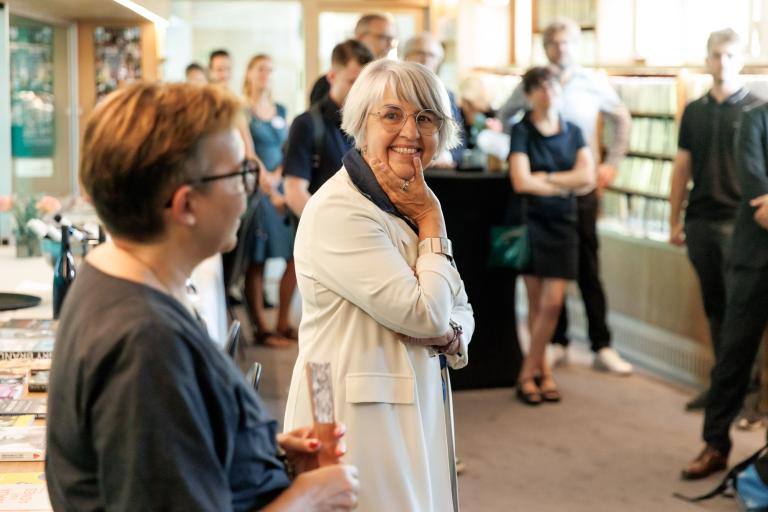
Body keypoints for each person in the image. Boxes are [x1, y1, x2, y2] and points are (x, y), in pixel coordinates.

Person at [45, 82, 359, 511]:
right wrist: (309, 498)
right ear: (186, 205)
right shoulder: (146, 343)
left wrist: (251, 448)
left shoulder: (116, 277)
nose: (249, 190)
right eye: (240, 175)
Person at [283, 60, 474, 511]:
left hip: (405, 399)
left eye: (425, 118)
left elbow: (459, 304)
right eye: (392, 115)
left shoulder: (409, 199)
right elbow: (425, 313)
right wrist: (433, 222)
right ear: (360, 124)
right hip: (352, 414)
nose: (410, 131)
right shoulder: (341, 210)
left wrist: (452, 334)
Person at [499, 17, 633, 375]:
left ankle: (601, 345)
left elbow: (622, 118)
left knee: (587, 267)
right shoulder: (532, 84)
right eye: (554, 43)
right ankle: (554, 345)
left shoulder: (593, 82)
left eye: (567, 42)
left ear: (577, 45)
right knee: (540, 279)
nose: (561, 49)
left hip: (581, 190)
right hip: (539, 199)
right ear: (545, 48)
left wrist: (612, 162)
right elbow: (502, 118)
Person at [669, 29, 763, 411]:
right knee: (715, 307)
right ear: (707, 60)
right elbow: (681, 167)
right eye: (715, 55)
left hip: (741, 226)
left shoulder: (756, 110)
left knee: (742, 312)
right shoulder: (695, 110)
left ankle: (746, 392)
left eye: (728, 55)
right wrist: (674, 219)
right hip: (701, 221)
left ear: (739, 60)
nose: (721, 62)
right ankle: (723, 390)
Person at [680, 100, 768, 480]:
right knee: (733, 353)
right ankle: (715, 443)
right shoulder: (754, 118)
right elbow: (760, 200)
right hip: (754, 259)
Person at [508, 66, 594, 405]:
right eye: (540, 88)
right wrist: (565, 180)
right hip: (530, 220)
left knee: (554, 301)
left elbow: (587, 177)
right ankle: (543, 373)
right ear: (529, 94)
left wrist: (549, 179)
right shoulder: (522, 130)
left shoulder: (574, 131)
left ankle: (527, 373)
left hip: (563, 222)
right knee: (533, 301)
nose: (548, 93)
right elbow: (521, 182)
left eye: (552, 87)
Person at [242, 54, 297, 346]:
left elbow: (288, 149)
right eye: (261, 69)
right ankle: (262, 329)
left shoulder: (281, 109)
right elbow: (250, 154)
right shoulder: (243, 112)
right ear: (249, 73)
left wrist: (280, 179)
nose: (266, 74)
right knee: (258, 259)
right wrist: (269, 188)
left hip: (282, 186)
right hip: (258, 193)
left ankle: (283, 321)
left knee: (295, 256)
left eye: (270, 70)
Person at [284, 40, 373, 217]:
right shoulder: (306, 124)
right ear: (332, 76)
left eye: (365, 84)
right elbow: (294, 193)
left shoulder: (372, 124)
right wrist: (329, 229)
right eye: (352, 82)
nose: (360, 92)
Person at [401, 32, 465, 167]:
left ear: (439, 62)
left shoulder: (447, 96)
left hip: (438, 172)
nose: (425, 60)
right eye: (420, 53)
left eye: (432, 55)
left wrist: (447, 156)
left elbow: (459, 143)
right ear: (406, 56)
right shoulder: (392, 92)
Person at [309, 13, 396, 104]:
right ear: (360, 37)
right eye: (382, 37)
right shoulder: (326, 85)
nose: (390, 45)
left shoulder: (386, 80)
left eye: (392, 39)